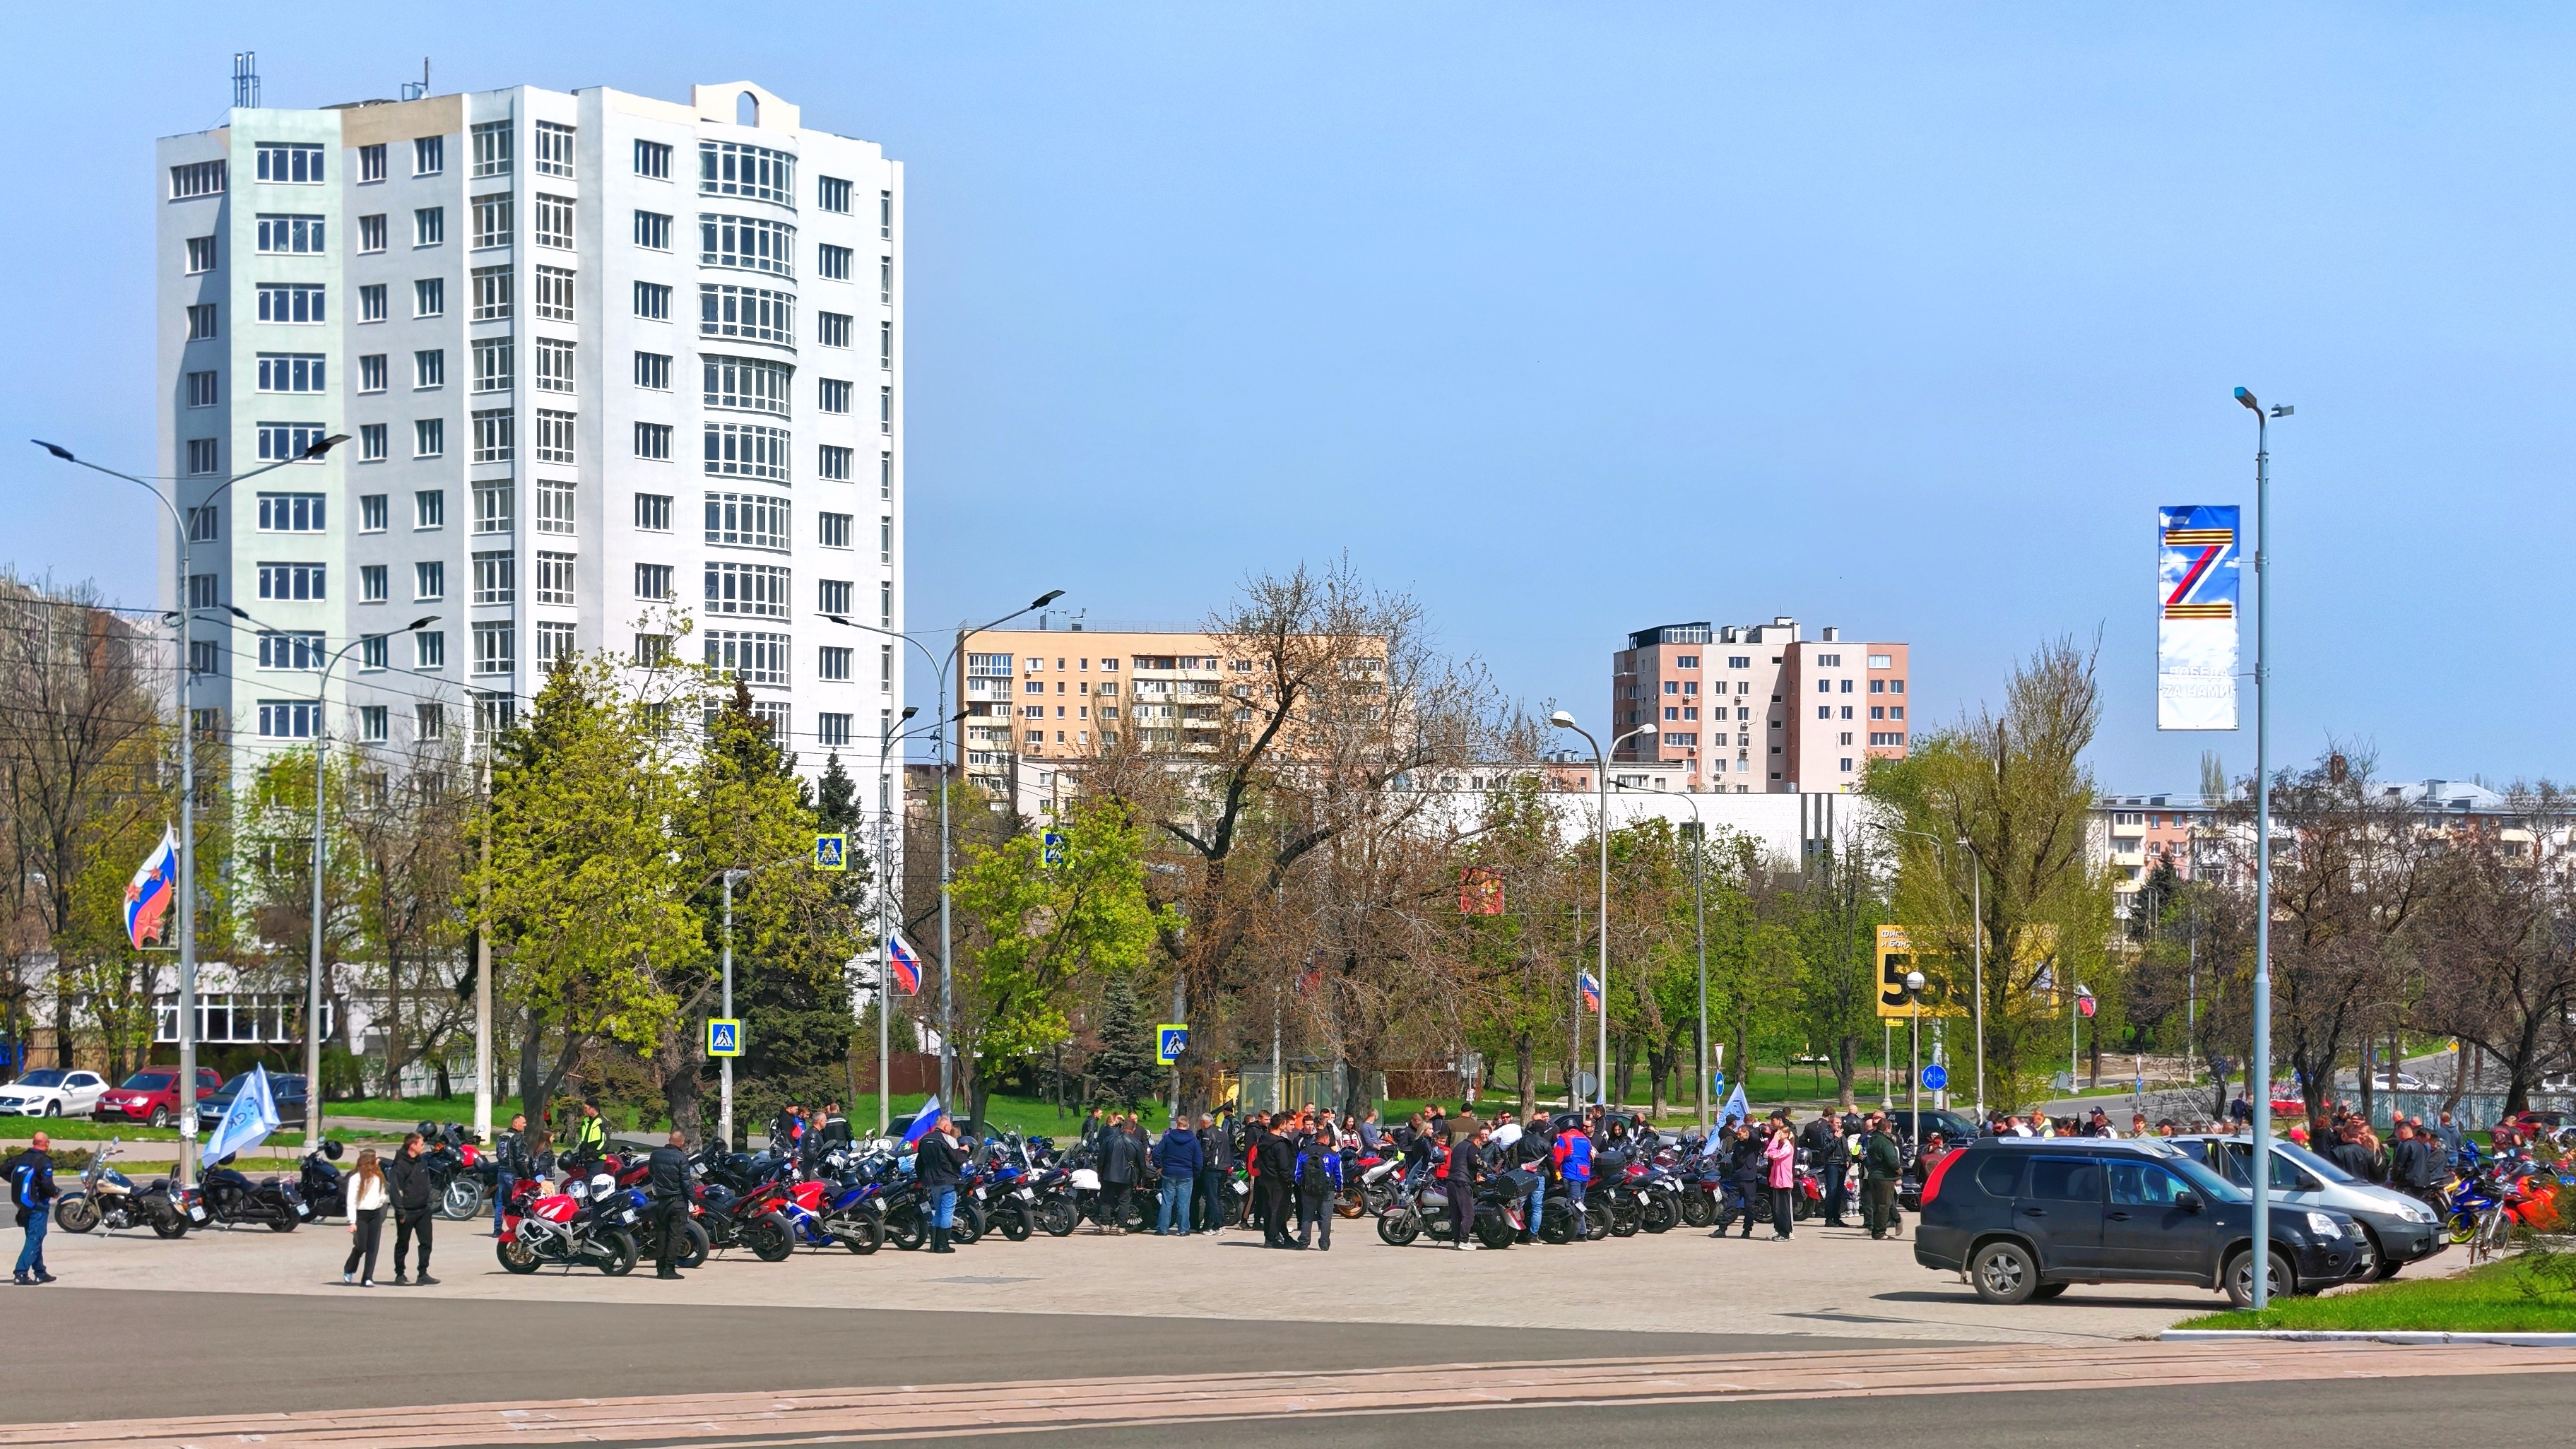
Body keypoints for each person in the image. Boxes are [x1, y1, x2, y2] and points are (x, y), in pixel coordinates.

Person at [385, 1132, 437, 1285]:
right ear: (413, 1146)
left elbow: (426, 1180)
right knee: (403, 1243)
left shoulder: (421, 1160)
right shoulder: (400, 1165)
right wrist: (400, 1211)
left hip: (423, 1210)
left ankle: (423, 1274)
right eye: (421, 1144)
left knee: (426, 1242)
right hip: (407, 1212)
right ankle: (400, 1273)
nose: (423, 1146)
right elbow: (395, 1190)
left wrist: (429, 1201)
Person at [8, 1130, 57, 1286]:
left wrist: (18, 1183)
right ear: (46, 1143)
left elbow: (4, 1169)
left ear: (33, 1142)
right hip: (38, 1204)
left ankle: (40, 1272)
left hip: (23, 1204)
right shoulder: (44, 1161)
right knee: (35, 1238)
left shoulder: (21, 1158)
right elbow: (46, 1184)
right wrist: (55, 1192)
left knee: (35, 1237)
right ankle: (21, 1273)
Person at [916, 1113, 966, 1253]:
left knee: (938, 1211)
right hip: (947, 1181)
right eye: (949, 1128)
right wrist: (965, 1151)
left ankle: (933, 1245)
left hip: (932, 1182)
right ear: (945, 1126)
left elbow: (918, 1163)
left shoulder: (924, 1139)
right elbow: (958, 1160)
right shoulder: (948, 1139)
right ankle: (943, 1245)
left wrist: (922, 1179)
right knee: (947, 1213)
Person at [646, 1129, 692, 1279]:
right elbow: (686, 1183)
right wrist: (695, 1201)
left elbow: (651, 1172)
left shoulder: (655, 1155)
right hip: (678, 1201)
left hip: (661, 1200)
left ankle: (659, 1268)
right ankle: (669, 1269)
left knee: (661, 1234)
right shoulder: (681, 1158)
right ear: (682, 1143)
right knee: (675, 1236)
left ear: (669, 1139)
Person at [343, 1147, 389, 1286]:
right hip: (361, 1215)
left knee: (372, 1247)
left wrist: (381, 1202)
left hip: (375, 1213)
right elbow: (351, 1201)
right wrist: (352, 1221)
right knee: (361, 1246)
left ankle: (367, 1277)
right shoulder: (355, 1178)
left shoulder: (378, 1177)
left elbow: (383, 1194)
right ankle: (349, 1268)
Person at [1154, 1113, 1202, 1236]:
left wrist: (1159, 1166)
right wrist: (1195, 1173)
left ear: (1177, 1125)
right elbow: (1198, 1160)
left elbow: (1156, 1153)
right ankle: (1183, 1229)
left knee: (1166, 1202)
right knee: (1184, 1203)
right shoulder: (1193, 1140)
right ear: (1188, 1125)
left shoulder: (1168, 1138)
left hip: (1169, 1172)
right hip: (1186, 1174)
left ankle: (1162, 1229)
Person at [1294, 1116, 1337, 1250]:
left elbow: (1297, 1173)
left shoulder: (1304, 1152)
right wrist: (1339, 1189)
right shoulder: (1332, 1154)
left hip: (1308, 1189)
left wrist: (1302, 1185)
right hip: (1327, 1189)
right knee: (1326, 1217)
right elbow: (1338, 1173)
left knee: (1307, 1216)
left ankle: (1303, 1242)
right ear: (1325, 1139)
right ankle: (1324, 1244)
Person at [1098, 1109, 1143, 1234]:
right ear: (1133, 1129)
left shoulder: (1109, 1140)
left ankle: (1104, 1225)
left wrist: (1100, 1175)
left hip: (1109, 1175)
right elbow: (1142, 1164)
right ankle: (1121, 1227)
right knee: (1124, 1202)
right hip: (1127, 1177)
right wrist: (1140, 1180)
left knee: (1106, 1200)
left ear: (1122, 1127)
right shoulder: (1136, 1143)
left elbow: (1101, 1159)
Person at [1256, 1111, 1297, 1247]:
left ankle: (1281, 1235)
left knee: (1270, 1210)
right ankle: (1271, 1239)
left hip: (1265, 1179)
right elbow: (1284, 1166)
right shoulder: (1280, 1145)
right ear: (1281, 1126)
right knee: (1278, 1210)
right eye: (1285, 1123)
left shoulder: (1263, 1140)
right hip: (1279, 1182)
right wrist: (1290, 1179)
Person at [1443, 1111, 1483, 1249]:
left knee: (1456, 1214)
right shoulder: (1471, 1147)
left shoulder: (1459, 1146)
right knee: (1468, 1214)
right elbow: (1475, 1161)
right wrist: (1485, 1167)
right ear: (1477, 1140)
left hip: (1451, 1181)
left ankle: (1456, 1241)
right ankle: (1464, 1240)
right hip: (1462, 1182)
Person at [1860, 1114, 1903, 1239]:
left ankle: (1876, 1230)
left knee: (1877, 1205)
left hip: (1872, 1175)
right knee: (1884, 1205)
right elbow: (1892, 1159)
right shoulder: (1884, 1141)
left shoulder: (1870, 1139)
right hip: (1885, 1177)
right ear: (1887, 1129)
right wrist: (1898, 1170)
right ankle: (1880, 1232)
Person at [1801, 1110, 1846, 1227]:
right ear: (1830, 1123)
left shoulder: (1841, 1133)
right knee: (1831, 1191)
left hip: (1842, 1164)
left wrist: (1848, 1159)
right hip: (1832, 1164)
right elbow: (1826, 1149)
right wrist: (1835, 1138)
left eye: (1840, 1123)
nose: (1839, 1125)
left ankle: (1837, 1217)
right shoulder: (1826, 1134)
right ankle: (1829, 1218)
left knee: (1839, 1192)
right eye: (1837, 1123)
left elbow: (1845, 1148)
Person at [1555, 1114, 1594, 1241]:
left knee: (1574, 1204)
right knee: (1579, 1202)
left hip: (1572, 1174)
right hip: (1585, 1174)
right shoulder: (1586, 1139)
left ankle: (1581, 1233)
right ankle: (1582, 1231)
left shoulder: (1564, 1138)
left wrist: (1554, 1169)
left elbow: (1557, 1158)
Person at [493, 1112, 530, 1236]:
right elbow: (519, 1160)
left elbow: (498, 1154)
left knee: (500, 1202)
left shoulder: (501, 1136)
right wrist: (526, 1176)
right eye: (523, 1123)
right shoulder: (516, 1138)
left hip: (501, 1172)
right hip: (513, 1174)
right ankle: (517, 1229)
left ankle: (497, 1229)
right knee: (520, 1202)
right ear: (515, 1123)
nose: (525, 1125)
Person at [1195, 1112, 1232, 1234]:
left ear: (1205, 1122)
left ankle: (1218, 1225)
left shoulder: (1208, 1133)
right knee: (1217, 1198)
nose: (1200, 1125)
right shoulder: (1222, 1131)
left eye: (1201, 1123)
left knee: (1212, 1199)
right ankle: (1219, 1225)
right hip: (1224, 1168)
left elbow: (1206, 1153)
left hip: (1212, 1169)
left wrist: (1199, 1166)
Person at [1764, 1119, 1796, 1239]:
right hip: (1777, 1181)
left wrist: (1774, 1140)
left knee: (1783, 1210)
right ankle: (1778, 1230)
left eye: (1781, 1133)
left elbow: (1773, 1155)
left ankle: (1786, 1233)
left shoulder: (1787, 1147)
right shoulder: (1781, 1145)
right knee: (1777, 1209)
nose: (1778, 1135)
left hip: (1784, 1182)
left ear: (1787, 1135)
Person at [565, 1101, 608, 1169]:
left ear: (593, 1108)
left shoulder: (602, 1121)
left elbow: (606, 1142)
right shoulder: (586, 1120)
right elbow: (582, 1140)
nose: (584, 1110)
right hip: (585, 1158)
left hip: (597, 1160)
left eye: (586, 1108)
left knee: (590, 1179)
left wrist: (594, 1156)